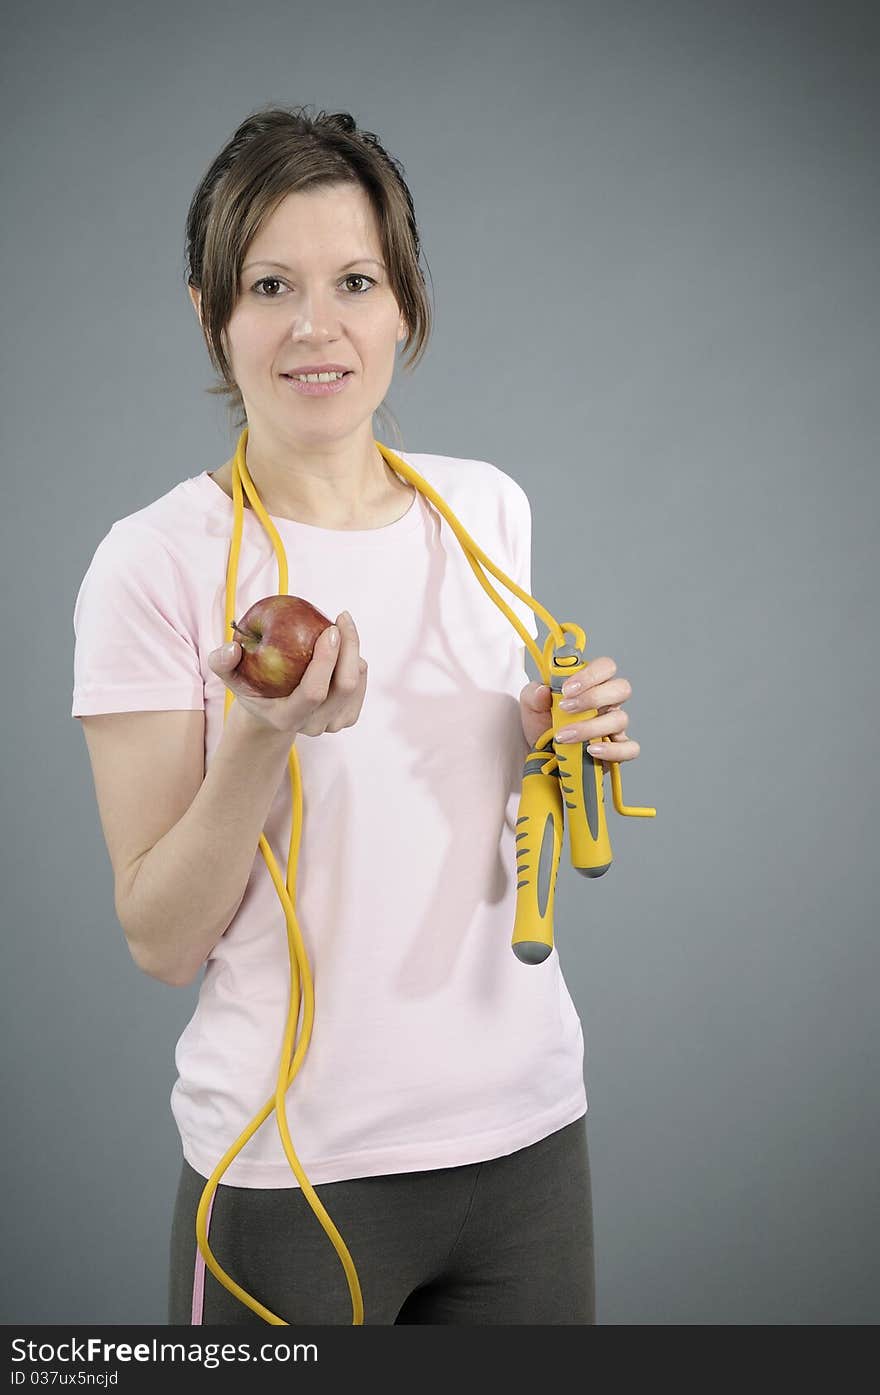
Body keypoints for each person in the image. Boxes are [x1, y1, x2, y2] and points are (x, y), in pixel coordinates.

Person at [71, 104, 640, 1326]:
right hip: (288, 1184)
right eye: (270, 284)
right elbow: (160, 939)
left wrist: (558, 738)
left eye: (355, 280)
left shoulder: (485, 511)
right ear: (210, 314)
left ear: (406, 305)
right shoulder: (155, 564)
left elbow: (450, 814)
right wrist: (259, 743)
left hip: (528, 1148)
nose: (315, 326)